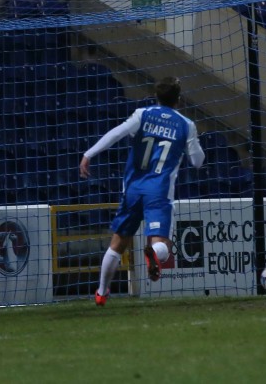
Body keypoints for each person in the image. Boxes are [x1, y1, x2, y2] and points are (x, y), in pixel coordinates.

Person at [79, 77, 205, 306]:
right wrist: (192, 145)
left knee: (117, 244)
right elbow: (197, 162)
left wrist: (89, 154)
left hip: (133, 188)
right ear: (178, 100)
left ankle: (101, 292)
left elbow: (116, 134)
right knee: (163, 245)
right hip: (159, 191)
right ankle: (154, 253)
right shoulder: (186, 124)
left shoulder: (142, 114)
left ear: (157, 96)